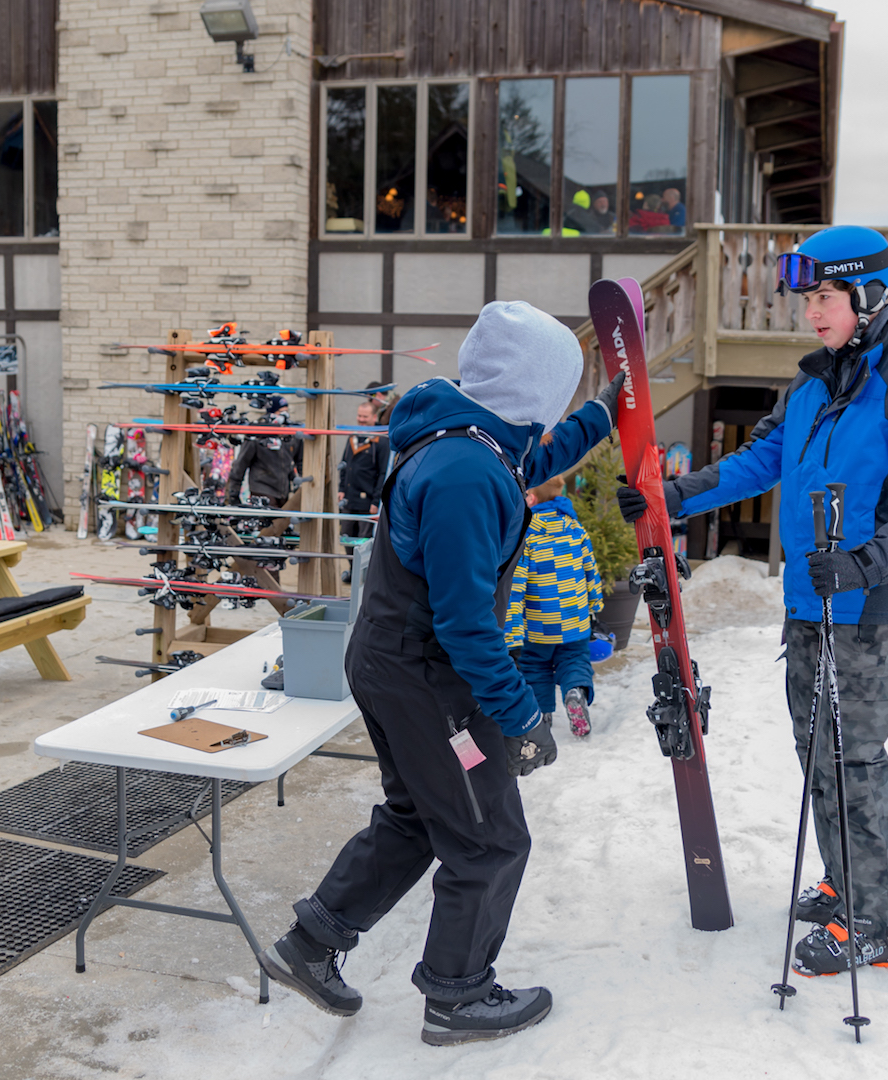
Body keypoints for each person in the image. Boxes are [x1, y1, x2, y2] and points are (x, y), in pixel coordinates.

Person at [263, 300, 627, 1045]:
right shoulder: (466, 473)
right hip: (429, 679)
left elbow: (534, 458)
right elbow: (465, 624)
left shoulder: (469, 437)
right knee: (490, 837)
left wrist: (605, 410)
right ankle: (458, 995)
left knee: (421, 816)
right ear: (531, 387)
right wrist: (522, 716)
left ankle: (312, 943)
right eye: (560, 390)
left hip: (400, 664)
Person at [618, 225, 888, 977]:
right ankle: (848, 880)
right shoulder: (815, 382)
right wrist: (671, 496)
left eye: (829, 296)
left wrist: (867, 562)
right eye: (809, 298)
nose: (814, 311)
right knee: (819, 754)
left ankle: (879, 917)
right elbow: (762, 459)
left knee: (855, 759)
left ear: (869, 296)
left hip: (872, 603)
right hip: (812, 597)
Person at [503, 475, 604, 739]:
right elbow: (590, 570)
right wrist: (595, 603)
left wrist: (512, 629)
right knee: (575, 659)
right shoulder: (576, 529)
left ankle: (541, 715)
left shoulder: (526, 536)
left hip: (538, 624)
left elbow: (517, 586)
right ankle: (575, 693)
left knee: (535, 665)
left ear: (532, 499)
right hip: (575, 619)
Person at [224, 425, 304, 610]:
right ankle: (271, 591)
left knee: (274, 543)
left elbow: (300, 462)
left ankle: (267, 589)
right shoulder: (257, 434)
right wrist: (234, 499)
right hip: (263, 493)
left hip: (285, 495)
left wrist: (303, 486)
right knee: (267, 542)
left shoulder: (291, 435)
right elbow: (239, 466)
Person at [337, 400, 388, 540]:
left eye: (365, 417)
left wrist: (376, 501)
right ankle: (350, 563)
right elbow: (344, 464)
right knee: (345, 537)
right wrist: (341, 489)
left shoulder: (382, 440)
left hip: (367, 502)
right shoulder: (353, 436)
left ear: (374, 417)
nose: (361, 420)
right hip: (349, 499)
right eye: (359, 416)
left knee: (363, 541)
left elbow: (383, 473)